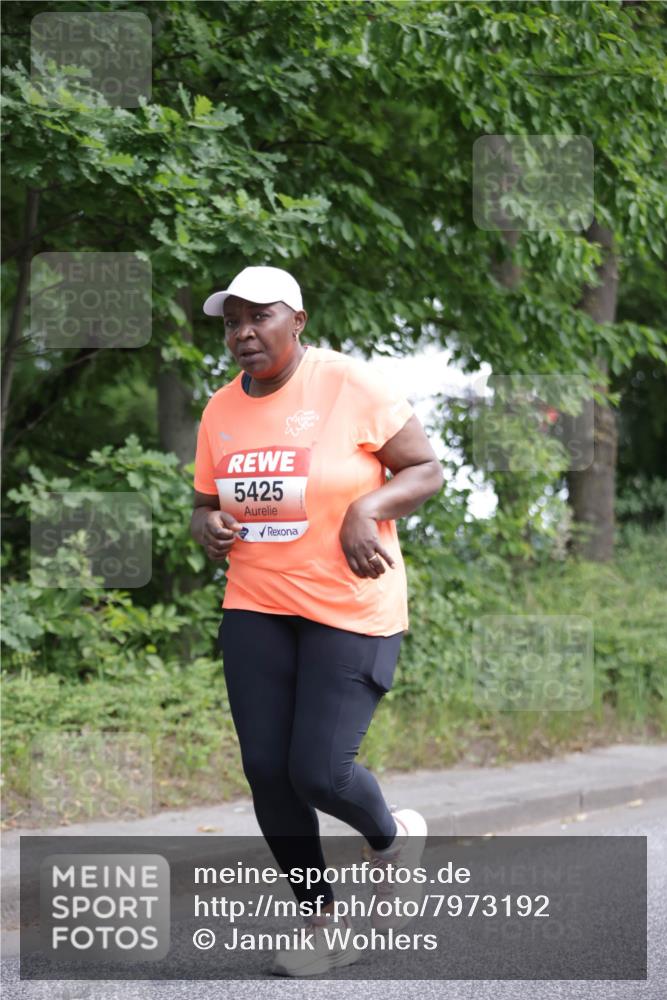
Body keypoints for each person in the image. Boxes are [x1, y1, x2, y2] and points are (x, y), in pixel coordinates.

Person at [192, 265, 444, 977]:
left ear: (297, 320)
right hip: (256, 603)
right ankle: (321, 921)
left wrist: (368, 508)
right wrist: (207, 524)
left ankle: (392, 841)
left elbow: (424, 469)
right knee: (267, 772)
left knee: (318, 773)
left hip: (349, 605)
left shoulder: (347, 384)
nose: (243, 333)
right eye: (231, 322)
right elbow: (204, 504)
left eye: (259, 316)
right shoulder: (219, 410)